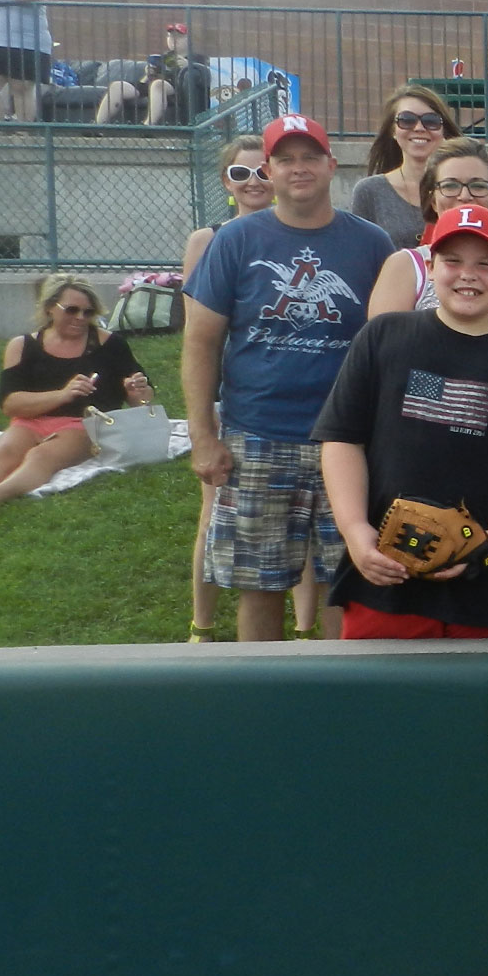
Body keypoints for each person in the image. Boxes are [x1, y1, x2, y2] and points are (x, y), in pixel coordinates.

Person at [182, 114, 395, 642]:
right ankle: (263, 701)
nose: (298, 168)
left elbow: (389, 341)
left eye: (308, 157)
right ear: (269, 171)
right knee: (259, 585)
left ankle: (333, 697)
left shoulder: (370, 243)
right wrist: (203, 436)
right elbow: (201, 341)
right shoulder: (235, 241)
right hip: (257, 434)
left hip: (344, 440)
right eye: (285, 159)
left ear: (330, 164)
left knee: (342, 579)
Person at [313, 206, 488, 640]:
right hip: (388, 577)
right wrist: (356, 533)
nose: (468, 275)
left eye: (485, 264)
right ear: (429, 268)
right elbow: (342, 439)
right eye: (453, 261)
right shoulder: (385, 336)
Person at [179, 134, 318, 643]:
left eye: (263, 169)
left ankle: (317, 647)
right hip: (251, 421)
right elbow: (200, 337)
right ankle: (208, 629)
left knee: (330, 567)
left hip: (335, 431)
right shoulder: (223, 240)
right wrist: (203, 429)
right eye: (244, 173)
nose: (257, 179)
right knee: (249, 569)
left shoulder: (359, 239)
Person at [0, 276, 152, 515]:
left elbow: (142, 401)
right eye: (71, 310)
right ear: (49, 308)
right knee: (3, 453)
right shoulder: (22, 346)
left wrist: (137, 391)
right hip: (31, 421)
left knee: (41, 456)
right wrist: (62, 395)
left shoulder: (111, 345)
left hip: (84, 424)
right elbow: (10, 404)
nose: (80, 318)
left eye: (88, 313)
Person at [366, 138, 488, 319]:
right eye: (450, 186)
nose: (465, 196)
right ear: (432, 200)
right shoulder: (405, 266)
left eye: (478, 186)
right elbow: (383, 342)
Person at [350, 85, 456, 248]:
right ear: (393, 130)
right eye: (407, 120)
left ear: (444, 131)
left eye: (431, 121)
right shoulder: (369, 192)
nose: (419, 128)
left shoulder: (464, 189)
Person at [94, 21, 204, 126]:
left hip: (174, 88)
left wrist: (188, 65)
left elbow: (204, 75)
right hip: (152, 86)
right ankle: (98, 125)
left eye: (178, 37)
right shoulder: (165, 57)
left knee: (157, 84)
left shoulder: (196, 58)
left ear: (188, 40)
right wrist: (148, 74)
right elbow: (144, 82)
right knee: (117, 86)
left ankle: (148, 126)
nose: (173, 40)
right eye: (170, 36)